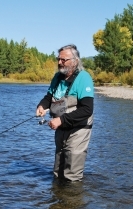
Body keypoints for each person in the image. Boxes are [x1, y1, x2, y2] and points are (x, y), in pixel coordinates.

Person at [36, 44, 94, 181]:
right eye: (58, 59)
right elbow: (49, 97)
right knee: (58, 171)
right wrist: (42, 106)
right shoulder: (57, 77)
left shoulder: (84, 78)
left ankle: (72, 201)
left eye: (63, 60)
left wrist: (60, 120)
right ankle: (57, 201)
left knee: (71, 174)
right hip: (61, 128)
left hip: (79, 129)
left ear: (75, 61)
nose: (59, 62)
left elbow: (87, 109)